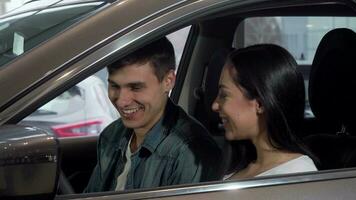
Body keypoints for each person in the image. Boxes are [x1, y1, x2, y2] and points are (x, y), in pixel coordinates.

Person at [84, 37, 222, 192]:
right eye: (114, 86)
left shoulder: (190, 152)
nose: (122, 101)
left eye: (135, 87)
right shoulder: (112, 135)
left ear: (168, 81)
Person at [211, 44, 317, 179]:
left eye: (224, 95)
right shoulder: (239, 166)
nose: (214, 105)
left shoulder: (298, 176)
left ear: (260, 104)